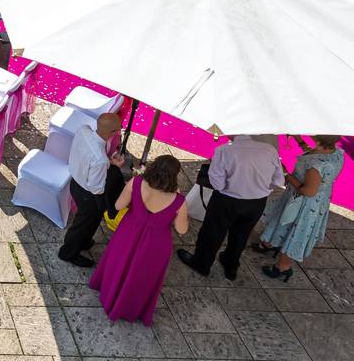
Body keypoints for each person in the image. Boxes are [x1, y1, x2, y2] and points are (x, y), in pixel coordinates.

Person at [89, 155, 188, 326]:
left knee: (119, 263)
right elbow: (182, 229)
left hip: (129, 231)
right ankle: (129, 307)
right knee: (141, 276)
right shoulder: (179, 200)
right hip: (156, 243)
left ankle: (110, 294)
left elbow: (119, 206)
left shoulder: (136, 182)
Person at [177, 135, 284, 280]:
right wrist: (258, 188)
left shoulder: (224, 151)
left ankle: (202, 264)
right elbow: (278, 181)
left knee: (212, 233)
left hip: (227, 200)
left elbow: (217, 184)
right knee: (241, 234)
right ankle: (231, 265)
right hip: (256, 202)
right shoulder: (270, 150)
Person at [254, 135, 345, 282]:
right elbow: (315, 154)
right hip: (315, 200)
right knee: (283, 220)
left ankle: (283, 267)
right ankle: (271, 242)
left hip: (304, 204)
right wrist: (298, 140)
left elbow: (308, 191)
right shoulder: (336, 153)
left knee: (295, 232)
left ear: (319, 140)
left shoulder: (316, 166)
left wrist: (286, 175)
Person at [58, 113, 125, 268]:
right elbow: (96, 187)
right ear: (113, 133)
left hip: (75, 182)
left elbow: (87, 159)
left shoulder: (83, 130)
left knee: (92, 221)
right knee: (83, 224)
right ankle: (68, 252)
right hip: (88, 194)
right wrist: (113, 168)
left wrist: (108, 164)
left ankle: (85, 241)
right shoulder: (100, 159)